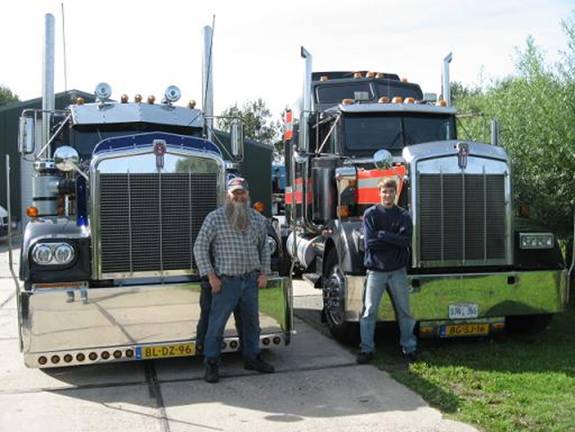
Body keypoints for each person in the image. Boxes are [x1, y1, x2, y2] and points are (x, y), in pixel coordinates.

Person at [193, 176, 275, 383]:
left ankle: (252, 357)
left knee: (252, 324)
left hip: (250, 281)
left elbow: (264, 247)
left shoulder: (257, 219)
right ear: (227, 195)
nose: (238, 196)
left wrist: (264, 272)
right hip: (225, 282)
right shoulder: (215, 218)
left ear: (247, 194)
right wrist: (211, 276)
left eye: (242, 192)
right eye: (234, 192)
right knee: (216, 325)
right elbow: (200, 247)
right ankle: (211, 364)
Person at [357, 178, 418, 364]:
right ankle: (367, 349)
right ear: (379, 193)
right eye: (384, 192)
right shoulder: (370, 214)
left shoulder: (404, 216)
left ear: (395, 193)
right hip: (376, 271)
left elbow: (405, 242)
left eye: (390, 192)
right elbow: (370, 244)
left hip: (398, 271)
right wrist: (393, 239)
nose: (387, 195)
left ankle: (409, 347)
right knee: (369, 311)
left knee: (405, 312)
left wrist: (382, 235)